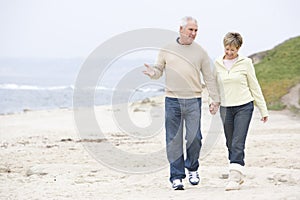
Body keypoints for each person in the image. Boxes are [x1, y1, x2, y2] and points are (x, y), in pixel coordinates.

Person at [143, 16, 220, 190]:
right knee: (174, 140)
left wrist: (214, 99)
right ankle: (176, 177)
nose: (193, 33)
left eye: (196, 30)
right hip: (172, 101)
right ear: (181, 29)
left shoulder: (200, 51)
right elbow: (158, 70)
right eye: (191, 30)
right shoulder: (167, 49)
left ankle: (192, 167)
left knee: (195, 138)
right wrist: (152, 73)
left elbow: (208, 77)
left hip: (193, 100)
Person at [213, 32, 269, 191]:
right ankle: (238, 171)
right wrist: (213, 102)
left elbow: (254, 86)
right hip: (225, 108)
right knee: (230, 143)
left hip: (244, 106)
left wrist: (263, 109)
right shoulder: (217, 63)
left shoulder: (246, 63)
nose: (229, 52)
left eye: (233, 50)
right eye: (227, 48)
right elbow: (215, 87)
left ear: (239, 48)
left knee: (238, 142)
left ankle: (234, 178)